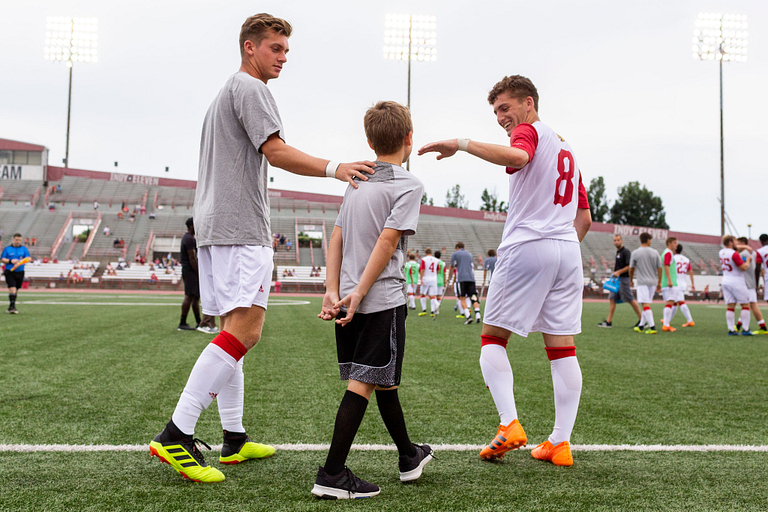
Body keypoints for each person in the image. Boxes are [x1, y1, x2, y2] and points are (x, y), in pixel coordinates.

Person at [149, 13, 375, 484]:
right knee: (245, 333)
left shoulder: (224, 93)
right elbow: (276, 151)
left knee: (233, 329)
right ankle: (176, 433)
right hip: (239, 228)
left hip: (218, 225)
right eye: (276, 48)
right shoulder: (252, 90)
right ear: (250, 47)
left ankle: (233, 438)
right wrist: (336, 167)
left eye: (286, 50)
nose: (283, 58)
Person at [418, 74, 592, 467]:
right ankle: (559, 443)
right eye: (496, 111)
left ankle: (509, 424)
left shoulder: (529, 133)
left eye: (505, 108)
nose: (501, 118)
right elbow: (584, 216)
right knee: (562, 349)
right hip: (567, 251)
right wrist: (559, 250)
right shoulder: (567, 148)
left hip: (529, 245)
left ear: (528, 103)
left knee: (492, 339)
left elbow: (518, 157)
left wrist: (461, 144)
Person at [314, 100, 432, 499]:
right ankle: (331, 474)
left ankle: (408, 456)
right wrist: (360, 292)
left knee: (381, 381)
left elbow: (338, 236)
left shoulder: (358, 180)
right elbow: (388, 240)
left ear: (369, 140)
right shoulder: (409, 185)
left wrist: (333, 291)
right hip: (379, 300)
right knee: (364, 382)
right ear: (409, 139)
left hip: (346, 302)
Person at [598, 234, 642, 328]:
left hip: (623, 279)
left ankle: (642, 320)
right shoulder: (618, 252)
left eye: (618, 240)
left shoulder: (626, 252)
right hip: (617, 280)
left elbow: (629, 266)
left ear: (621, 241)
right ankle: (608, 321)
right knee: (612, 298)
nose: (616, 242)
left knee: (630, 299)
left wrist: (619, 272)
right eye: (615, 240)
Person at [629, 233, 662, 334]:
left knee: (645, 304)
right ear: (647, 240)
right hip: (652, 282)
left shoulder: (636, 253)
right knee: (646, 304)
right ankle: (641, 326)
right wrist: (659, 282)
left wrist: (630, 280)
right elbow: (660, 268)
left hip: (642, 282)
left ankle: (652, 327)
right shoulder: (655, 252)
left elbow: (631, 268)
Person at [720, 235, 753, 335]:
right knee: (746, 304)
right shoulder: (734, 254)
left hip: (725, 280)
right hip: (736, 281)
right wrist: (748, 261)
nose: (736, 244)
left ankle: (731, 329)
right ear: (730, 242)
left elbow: (733, 249)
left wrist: (745, 247)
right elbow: (743, 268)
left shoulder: (721, 252)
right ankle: (746, 329)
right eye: (734, 241)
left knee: (730, 305)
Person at [736, 237, 766, 334]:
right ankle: (739, 326)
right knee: (749, 305)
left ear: (743, 243)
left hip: (746, 283)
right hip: (752, 282)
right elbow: (760, 269)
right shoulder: (754, 254)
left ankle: (749, 328)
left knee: (750, 305)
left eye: (739, 243)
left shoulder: (743, 254)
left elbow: (742, 267)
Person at [178, 217, 202, 331]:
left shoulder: (188, 238)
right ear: (192, 226)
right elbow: (192, 258)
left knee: (195, 296)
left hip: (189, 270)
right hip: (190, 270)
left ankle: (199, 322)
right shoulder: (189, 239)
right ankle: (182, 322)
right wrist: (198, 273)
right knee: (189, 296)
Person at [449, 242, 481, 325]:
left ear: (457, 247)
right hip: (471, 278)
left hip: (462, 278)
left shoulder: (455, 254)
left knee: (462, 298)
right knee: (473, 297)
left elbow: (451, 266)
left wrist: (449, 277)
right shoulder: (469, 254)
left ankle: (468, 316)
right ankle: (478, 315)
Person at [1, 233, 31, 314]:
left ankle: (12, 304)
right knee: (12, 288)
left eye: (20, 240)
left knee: (16, 289)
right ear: (13, 239)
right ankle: (12, 306)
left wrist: (20, 262)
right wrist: (11, 261)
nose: (18, 241)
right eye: (17, 240)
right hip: (10, 271)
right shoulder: (7, 249)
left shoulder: (24, 249)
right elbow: (2, 259)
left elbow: (28, 258)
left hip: (20, 272)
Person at [671, 243, 696, 327]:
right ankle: (667, 320)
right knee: (674, 302)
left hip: (675, 283)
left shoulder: (673, 258)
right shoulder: (686, 259)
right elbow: (691, 271)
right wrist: (692, 283)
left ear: (675, 249)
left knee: (681, 302)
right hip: (683, 282)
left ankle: (690, 320)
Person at [660, 237, 679, 332]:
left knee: (671, 302)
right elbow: (666, 265)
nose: (676, 245)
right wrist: (669, 280)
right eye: (674, 243)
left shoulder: (666, 252)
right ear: (669, 243)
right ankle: (666, 324)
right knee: (670, 302)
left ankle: (666, 322)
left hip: (667, 282)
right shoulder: (668, 253)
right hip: (669, 283)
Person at [418, 248, 440, 317]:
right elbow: (438, 269)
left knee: (422, 294)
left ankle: (424, 310)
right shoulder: (436, 260)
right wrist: (434, 275)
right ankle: (432, 311)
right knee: (432, 295)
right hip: (433, 279)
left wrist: (421, 278)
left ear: (425, 253)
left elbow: (422, 269)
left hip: (425, 278)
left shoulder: (424, 259)